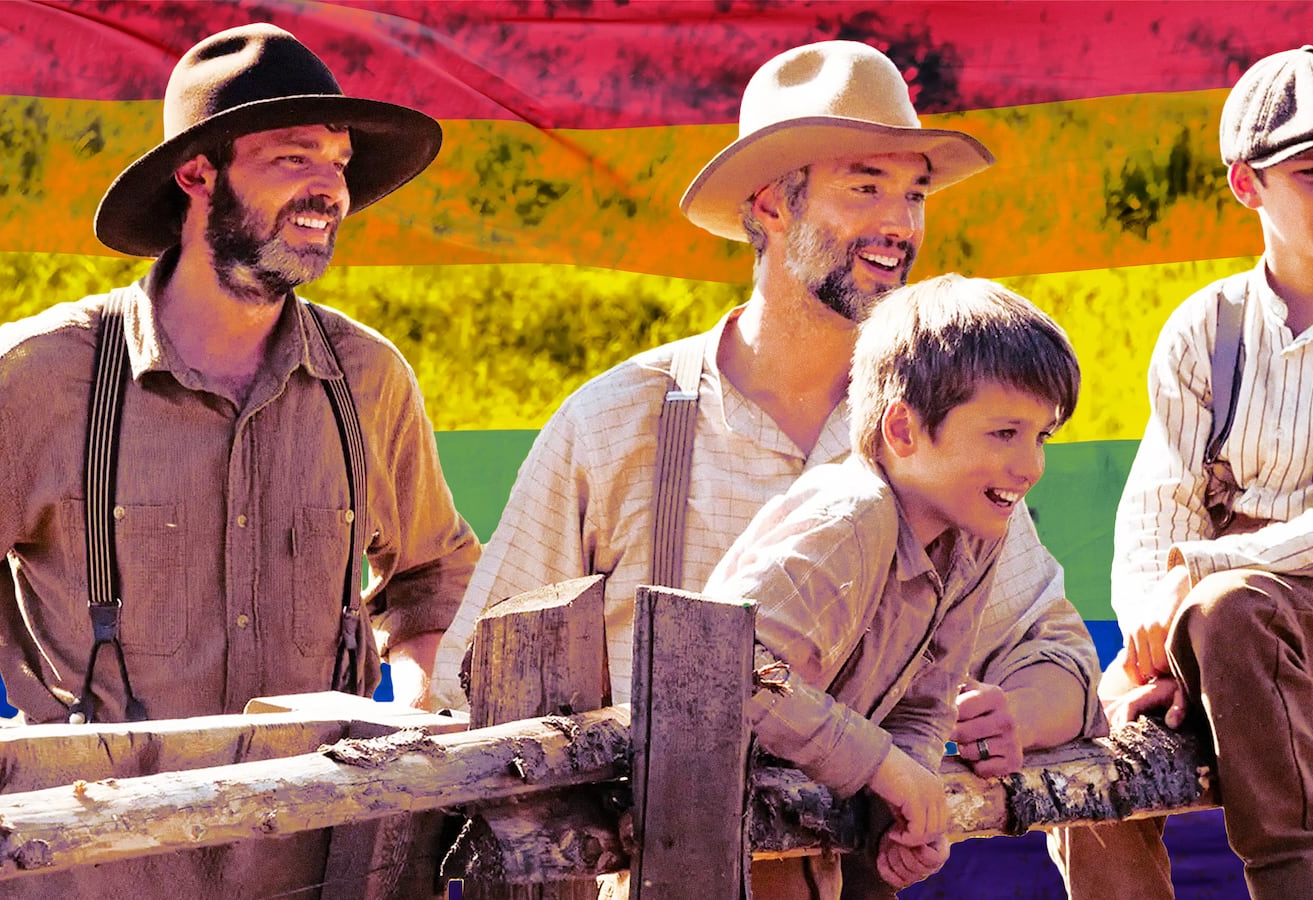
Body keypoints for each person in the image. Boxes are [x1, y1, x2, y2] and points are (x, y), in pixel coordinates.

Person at [431, 39, 1099, 777]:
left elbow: (1057, 652)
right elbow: (474, 684)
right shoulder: (616, 422)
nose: (902, 225)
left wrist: (1017, 715)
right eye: (865, 187)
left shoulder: (938, 426)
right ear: (772, 205)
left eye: (914, 194)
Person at [0, 22, 478, 724]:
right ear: (198, 173)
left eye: (340, 163)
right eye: (294, 158)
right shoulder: (34, 380)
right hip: (95, 828)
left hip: (327, 828)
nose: (332, 192)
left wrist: (423, 714)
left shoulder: (366, 379)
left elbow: (432, 580)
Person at [1050, 46, 1313, 900]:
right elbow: (1157, 506)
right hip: (1199, 618)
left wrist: (1201, 573)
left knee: (1234, 611)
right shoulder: (1204, 327)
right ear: (1248, 185)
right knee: (1083, 736)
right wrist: (1148, 636)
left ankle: (1300, 880)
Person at [708, 274, 1080, 896]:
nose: (1031, 466)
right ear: (903, 430)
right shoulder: (851, 517)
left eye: (1042, 436)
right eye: (1004, 433)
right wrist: (884, 767)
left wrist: (909, 801)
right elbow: (726, 669)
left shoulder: (972, 537)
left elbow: (925, 700)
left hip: (800, 819)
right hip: (701, 831)